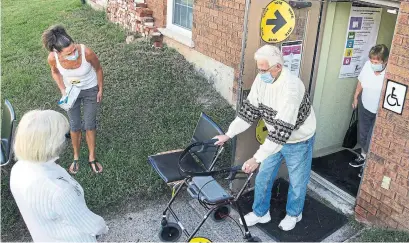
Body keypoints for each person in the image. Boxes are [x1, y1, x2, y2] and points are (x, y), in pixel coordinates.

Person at [214, 45, 316, 231]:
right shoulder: (262, 81)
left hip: (298, 141)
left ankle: (294, 214)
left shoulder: (291, 88)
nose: (260, 73)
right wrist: (229, 134)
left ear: (277, 66)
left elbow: (281, 131)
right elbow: (249, 111)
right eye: (259, 68)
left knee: (297, 182)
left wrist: (256, 158)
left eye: (263, 69)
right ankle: (261, 213)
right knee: (263, 177)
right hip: (274, 139)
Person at [10, 110, 108, 242]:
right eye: (66, 135)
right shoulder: (59, 190)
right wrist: (103, 227)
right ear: (51, 143)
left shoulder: (18, 169)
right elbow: (89, 224)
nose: (67, 139)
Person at [42, 25, 104, 174]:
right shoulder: (52, 58)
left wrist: (100, 89)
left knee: (90, 124)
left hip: (90, 89)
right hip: (71, 92)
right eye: (69, 52)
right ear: (57, 52)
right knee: (74, 126)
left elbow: (98, 69)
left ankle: (92, 157)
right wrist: (63, 89)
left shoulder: (87, 52)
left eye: (74, 48)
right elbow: (55, 72)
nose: (74, 53)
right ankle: (76, 157)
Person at [349, 44, 389, 177]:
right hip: (365, 105)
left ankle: (368, 164)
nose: (373, 64)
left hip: (379, 112)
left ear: (385, 61)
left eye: (376, 62)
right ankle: (362, 156)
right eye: (372, 61)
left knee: (372, 138)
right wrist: (355, 97)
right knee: (363, 133)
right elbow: (361, 82)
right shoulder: (367, 66)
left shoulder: (389, 72)